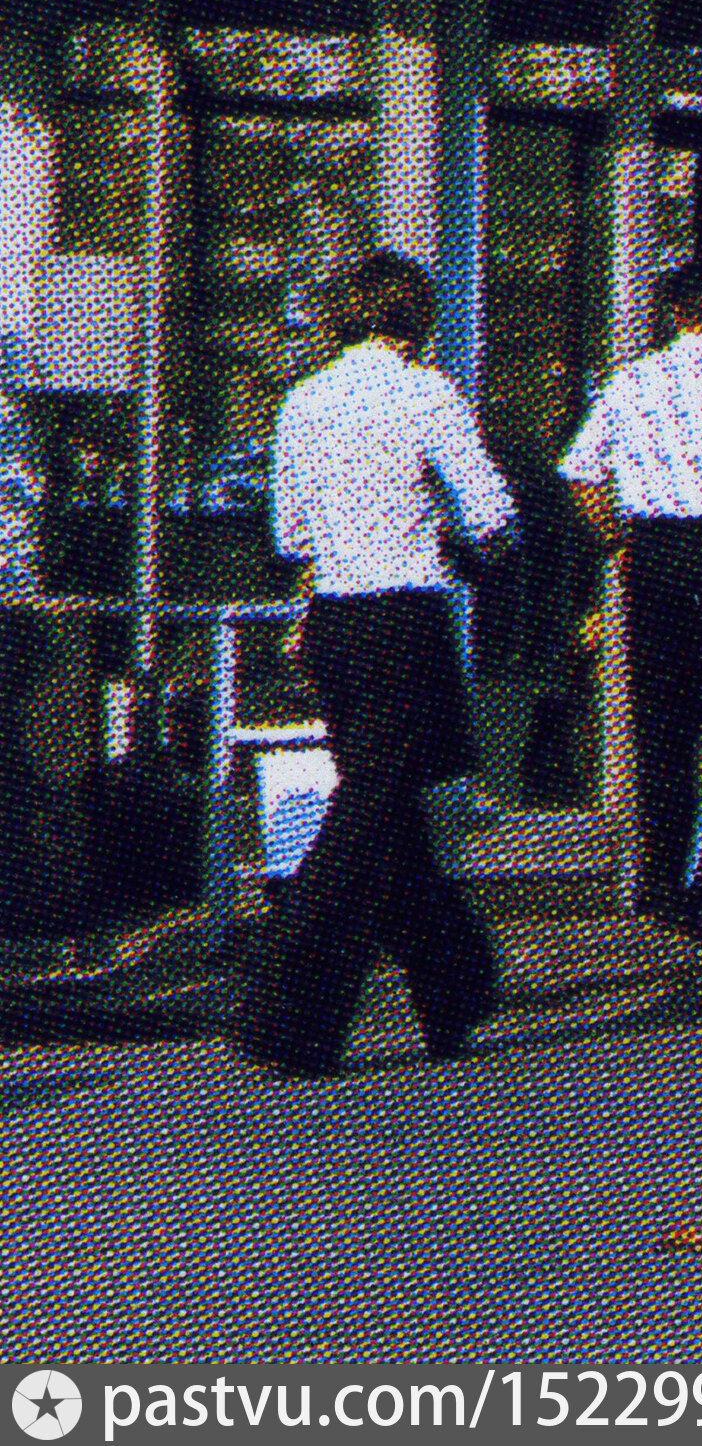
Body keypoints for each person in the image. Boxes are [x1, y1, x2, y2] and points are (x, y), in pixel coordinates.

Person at [239, 253, 515, 1075]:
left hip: (336, 623)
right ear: (418, 318)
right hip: (405, 615)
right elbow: (490, 508)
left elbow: (290, 535)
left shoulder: (303, 399)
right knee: (365, 819)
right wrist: (470, 546)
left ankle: (452, 976)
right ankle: (292, 1006)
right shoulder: (428, 393)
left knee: (382, 810)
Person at [556, 250, 702, 930]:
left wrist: (615, 542)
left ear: (673, 315)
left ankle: (661, 878)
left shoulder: (630, 383)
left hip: (653, 552)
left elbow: (580, 472)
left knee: (660, 723)